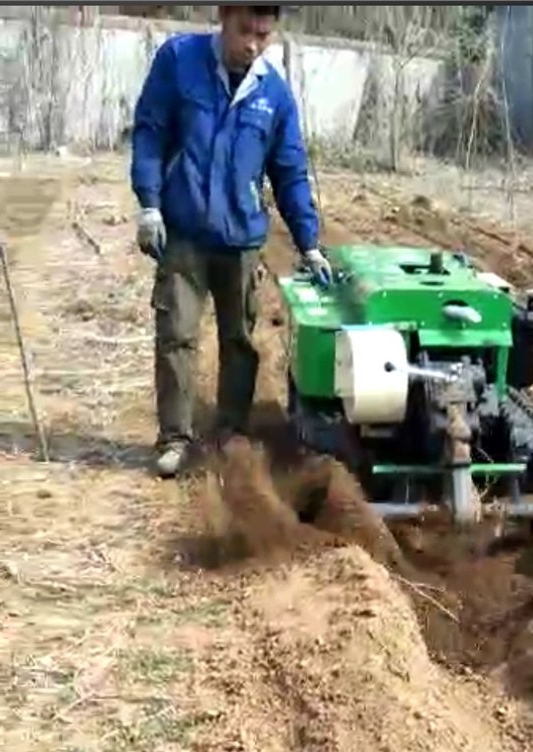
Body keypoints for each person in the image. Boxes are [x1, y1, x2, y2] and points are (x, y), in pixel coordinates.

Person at [130, 4, 330, 478]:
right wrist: (149, 203)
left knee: (238, 339)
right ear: (223, 17)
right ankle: (175, 438)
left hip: (240, 239)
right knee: (176, 334)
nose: (253, 44)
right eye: (244, 31)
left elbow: (289, 173)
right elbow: (150, 133)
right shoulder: (179, 61)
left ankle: (230, 434)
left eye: (264, 34)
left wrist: (309, 242)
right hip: (183, 233)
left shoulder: (274, 94)